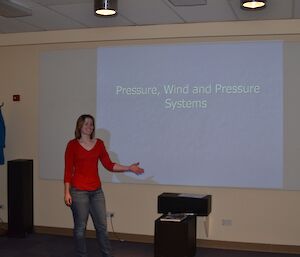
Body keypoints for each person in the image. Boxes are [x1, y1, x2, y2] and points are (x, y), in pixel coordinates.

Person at [64, 114, 144, 257]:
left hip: (96, 192)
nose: (89, 126)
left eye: (91, 124)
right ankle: (81, 254)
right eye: (86, 124)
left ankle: (107, 254)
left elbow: (109, 165)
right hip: (78, 191)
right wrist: (67, 192)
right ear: (80, 126)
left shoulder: (99, 143)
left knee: (102, 227)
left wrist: (129, 168)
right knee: (80, 228)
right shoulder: (72, 145)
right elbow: (68, 170)